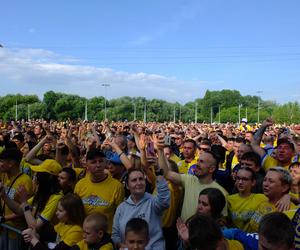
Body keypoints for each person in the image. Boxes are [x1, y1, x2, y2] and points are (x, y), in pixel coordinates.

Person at [158, 134, 228, 222]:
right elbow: (166, 173)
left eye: (201, 162)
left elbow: (221, 223)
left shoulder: (221, 193)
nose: (197, 164)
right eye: (198, 161)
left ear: (211, 169)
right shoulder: (188, 179)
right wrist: (160, 150)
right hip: (182, 232)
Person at [0, 159, 62, 242]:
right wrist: (4, 196)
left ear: (48, 178)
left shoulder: (56, 198)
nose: (35, 177)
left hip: (46, 242)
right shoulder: (41, 194)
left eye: (38, 175)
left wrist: (25, 203)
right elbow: (19, 210)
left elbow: (35, 226)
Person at [112, 168, 170, 250]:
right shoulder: (121, 208)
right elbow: (115, 234)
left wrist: (159, 174)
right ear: (127, 186)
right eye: (134, 180)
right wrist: (120, 245)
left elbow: (164, 201)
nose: (138, 183)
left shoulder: (153, 202)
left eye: (141, 179)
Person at [74, 149, 124, 233]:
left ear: (105, 163)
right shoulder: (80, 185)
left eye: (101, 161)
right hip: (84, 235)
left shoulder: (117, 186)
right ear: (87, 165)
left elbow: (121, 215)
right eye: (93, 162)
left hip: (106, 237)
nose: (98, 165)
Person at [0, 148, 33, 250]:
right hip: (3, 229)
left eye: (1, 161)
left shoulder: (25, 181)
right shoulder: (4, 175)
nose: (0, 164)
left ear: (11, 163)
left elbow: (23, 210)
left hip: (15, 232)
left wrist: (4, 218)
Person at [227, 167, 267, 232]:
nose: (240, 182)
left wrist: (287, 197)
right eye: (238, 178)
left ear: (253, 182)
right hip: (234, 239)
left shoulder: (262, 198)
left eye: (245, 179)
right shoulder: (229, 199)